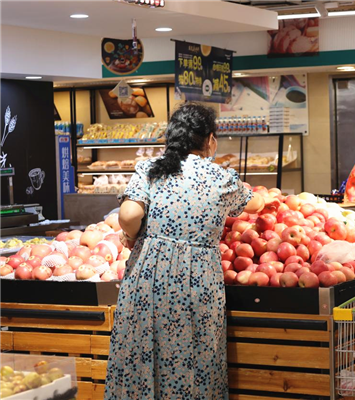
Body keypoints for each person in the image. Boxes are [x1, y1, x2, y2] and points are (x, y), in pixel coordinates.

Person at [104, 103, 263, 399]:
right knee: (196, 356)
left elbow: (128, 214)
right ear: (210, 140)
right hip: (199, 278)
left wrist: (134, 236)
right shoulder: (220, 177)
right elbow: (254, 203)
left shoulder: (151, 169)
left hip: (147, 274)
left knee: (140, 350)